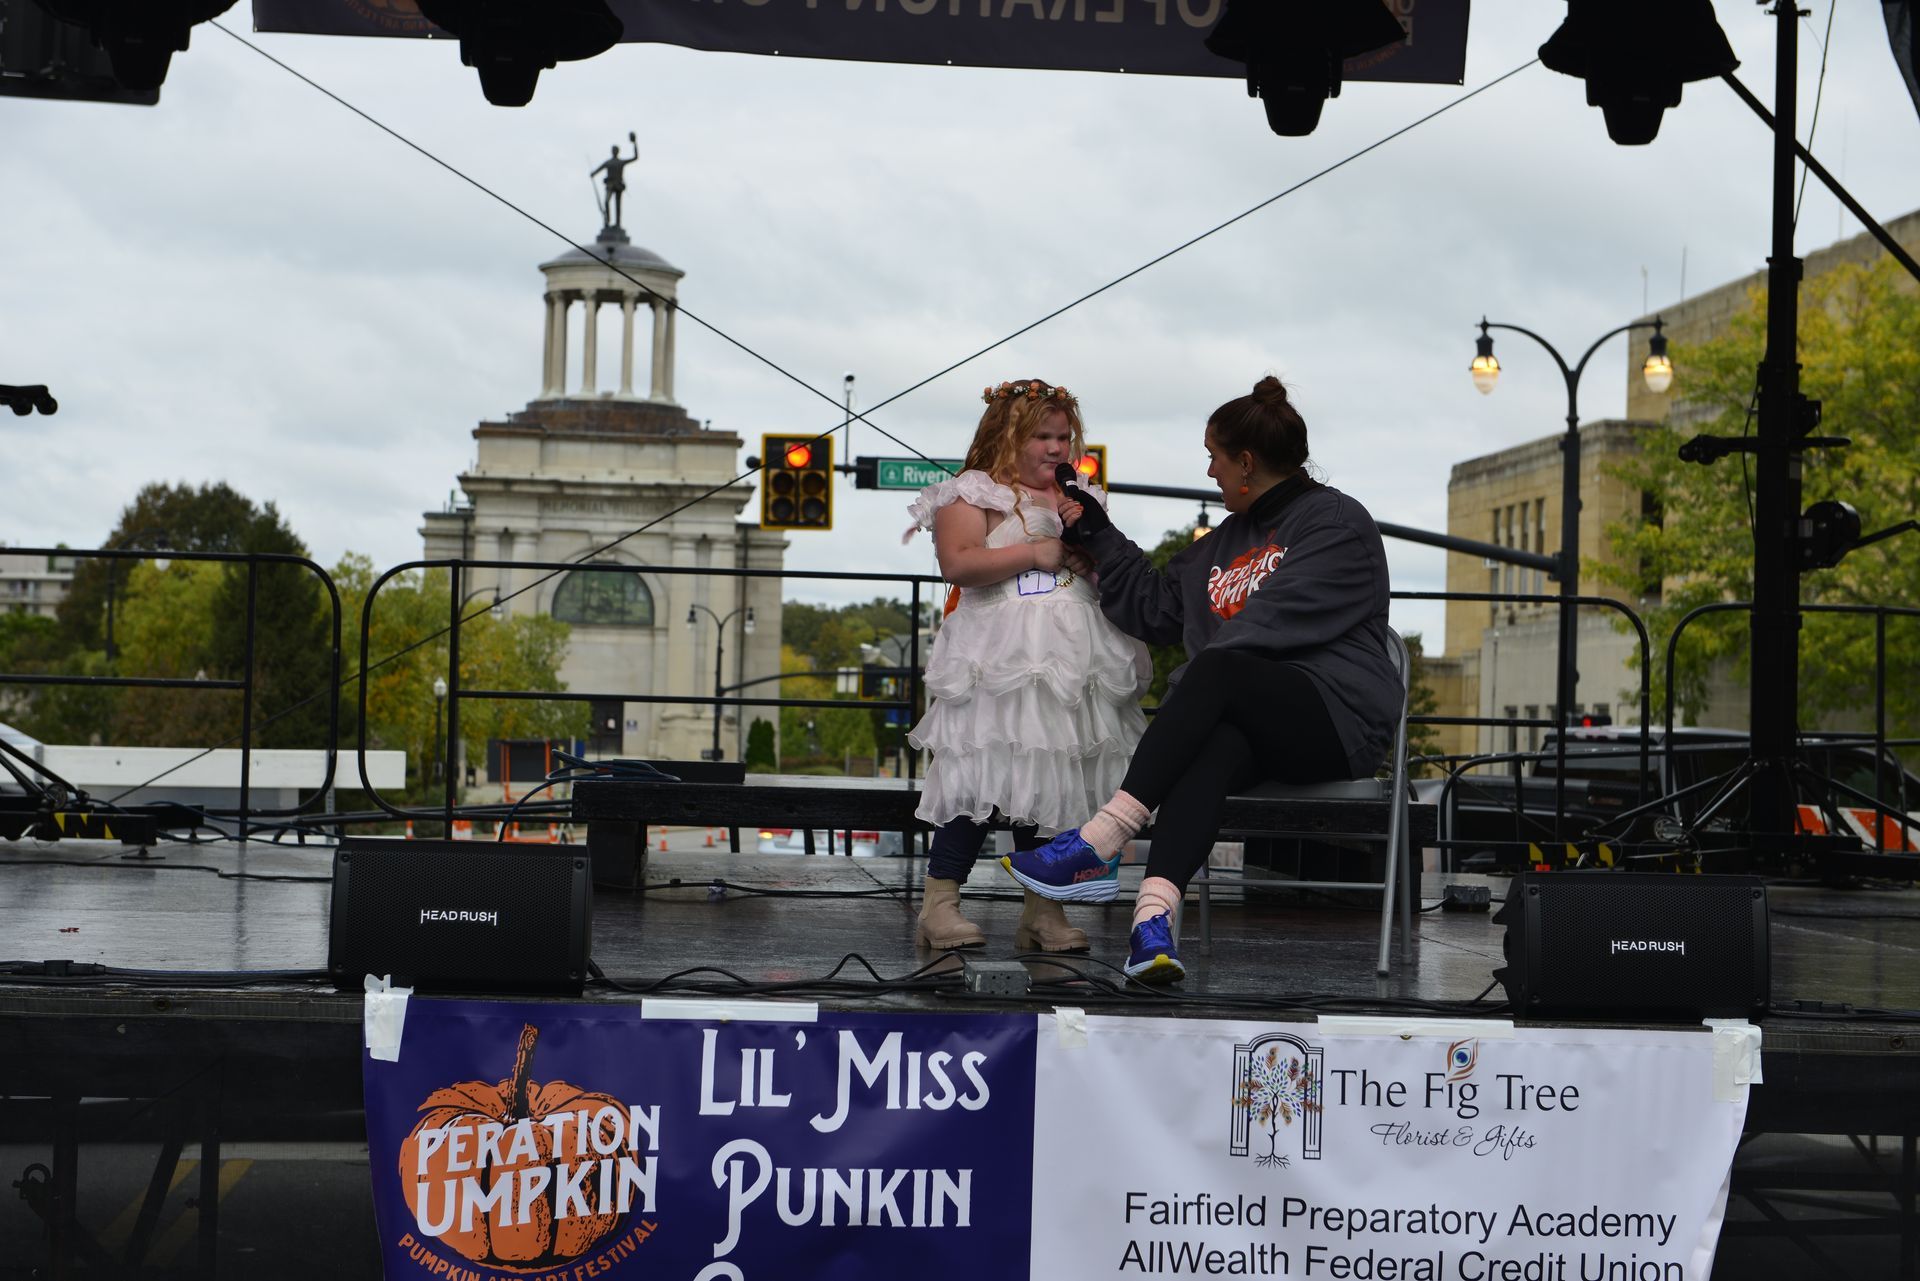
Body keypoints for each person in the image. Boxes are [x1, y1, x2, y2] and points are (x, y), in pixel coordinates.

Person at [1003, 375, 1399, 983]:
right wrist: (1099, 537)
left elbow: (1267, 626)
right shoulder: (1223, 542)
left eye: (1213, 456)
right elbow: (1159, 610)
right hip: (1246, 714)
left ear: (1245, 462)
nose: (1208, 470)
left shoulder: (1335, 523)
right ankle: (1151, 924)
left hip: (1333, 715)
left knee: (1218, 673)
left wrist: (1199, 681)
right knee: (1213, 747)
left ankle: (1100, 840)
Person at [904, 379, 1150, 953]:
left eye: (1063, 437)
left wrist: (1090, 542)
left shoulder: (1079, 495)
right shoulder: (974, 493)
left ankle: (1044, 911)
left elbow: (1100, 568)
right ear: (1007, 436)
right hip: (1001, 655)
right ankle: (941, 903)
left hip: (1072, 656)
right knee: (980, 776)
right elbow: (959, 563)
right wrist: (1035, 552)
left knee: (1060, 782)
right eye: (1041, 436)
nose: (1055, 448)